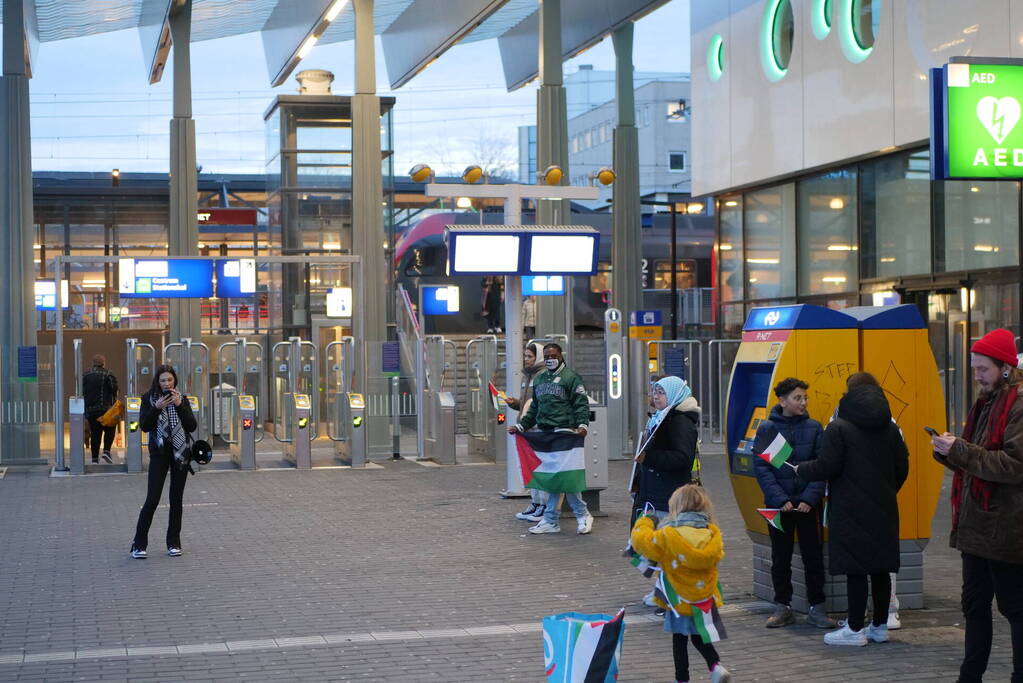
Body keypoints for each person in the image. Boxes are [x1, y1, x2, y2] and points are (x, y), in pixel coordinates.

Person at [931, 328, 1023, 682]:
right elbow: (974, 459)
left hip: (1008, 529)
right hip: (976, 526)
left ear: (1003, 368)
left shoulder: (1017, 404)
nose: (977, 376)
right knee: (973, 606)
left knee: (1015, 608)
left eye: (982, 369)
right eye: (974, 368)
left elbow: (1013, 465)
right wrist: (949, 451)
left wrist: (962, 450)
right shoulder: (985, 402)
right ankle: (969, 676)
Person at [796, 382, 909, 646]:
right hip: (884, 508)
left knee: (856, 569)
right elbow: (902, 466)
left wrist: (801, 470)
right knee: (881, 569)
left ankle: (855, 629)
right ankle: (879, 626)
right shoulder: (890, 429)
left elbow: (827, 466)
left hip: (850, 509)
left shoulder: (839, 429)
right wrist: (887, 490)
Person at [753, 377, 834, 629]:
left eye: (805, 398)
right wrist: (781, 499)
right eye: (797, 398)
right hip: (780, 507)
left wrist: (811, 498)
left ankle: (817, 608)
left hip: (808, 506)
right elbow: (762, 469)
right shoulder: (767, 429)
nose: (803, 402)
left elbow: (822, 466)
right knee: (781, 556)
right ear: (782, 401)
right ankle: (782, 606)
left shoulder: (815, 427)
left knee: (813, 556)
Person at [631, 484, 731, 683]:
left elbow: (642, 542)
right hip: (704, 595)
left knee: (679, 640)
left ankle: (682, 679)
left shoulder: (669, 534)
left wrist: (644, 522)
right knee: (699, 635)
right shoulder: (712, 533)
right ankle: (715, 665)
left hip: (678, 596)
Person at [509, 343, 594, 535]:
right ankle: (554, 519)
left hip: (566, 433)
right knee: (556, 479)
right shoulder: (540, 379)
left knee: (566, 478)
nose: (550, 359)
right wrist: (522, 425)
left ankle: (576, 515)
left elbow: (581, 404)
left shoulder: (571, 377)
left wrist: (583, 425)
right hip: (546, 434)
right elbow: (534, 408)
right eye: (546, 356)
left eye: (553, 355)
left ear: (560, 355)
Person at [130, 365, 197, 559]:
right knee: (152, 499)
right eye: (163, 381)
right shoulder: (149, 399)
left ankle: (174, 543)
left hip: (180, 453)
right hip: (159, 454)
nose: (167, 384)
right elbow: (144, 426)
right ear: (157, 382)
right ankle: (139, 544)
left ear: (174, 380)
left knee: (176, 500)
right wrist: (156, 408)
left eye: (169, 380)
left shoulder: (181, 399)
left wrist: (179, 405)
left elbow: (191, 426)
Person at [506, 342, 550, 522]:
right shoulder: (529, 377)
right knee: (529, 467)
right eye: (525, 356)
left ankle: (544, 505)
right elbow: (529, 405)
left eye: (530, 356)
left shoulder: (542, 376)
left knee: (539, 468)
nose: (526, 360)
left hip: (538, 428)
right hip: (526, 428)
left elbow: (539, 404)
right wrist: (515, 403)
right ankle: (536, 502)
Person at [82, 354, 118, 463]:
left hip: (91, 410)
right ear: (103, 363)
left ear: (93, 363)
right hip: (106, 409)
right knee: (110, 429)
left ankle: (94, 458)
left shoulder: (85, 375)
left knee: (95, 433)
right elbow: (114, 389)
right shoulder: (108, 373)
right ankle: (106, 451)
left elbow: (81, 391)